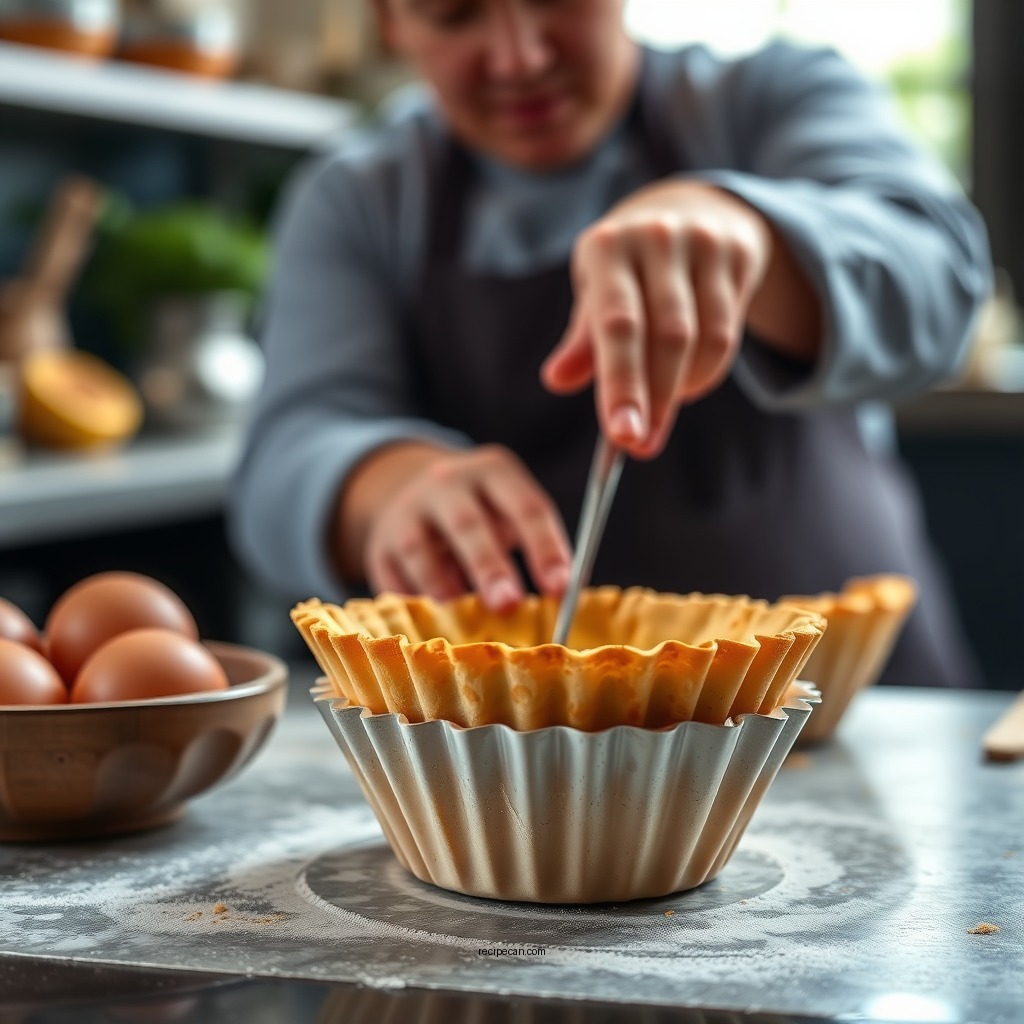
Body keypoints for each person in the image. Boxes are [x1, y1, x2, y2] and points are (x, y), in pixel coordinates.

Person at [228, 0, 992, 688]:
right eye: (455, 14)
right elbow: (287, 451)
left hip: (861, 715)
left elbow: (945, 281)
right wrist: (383, 486)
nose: (520, 56)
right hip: (521, 765)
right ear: (392, 22)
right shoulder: (359, 198)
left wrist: (748, 231)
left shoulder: (770, 97)